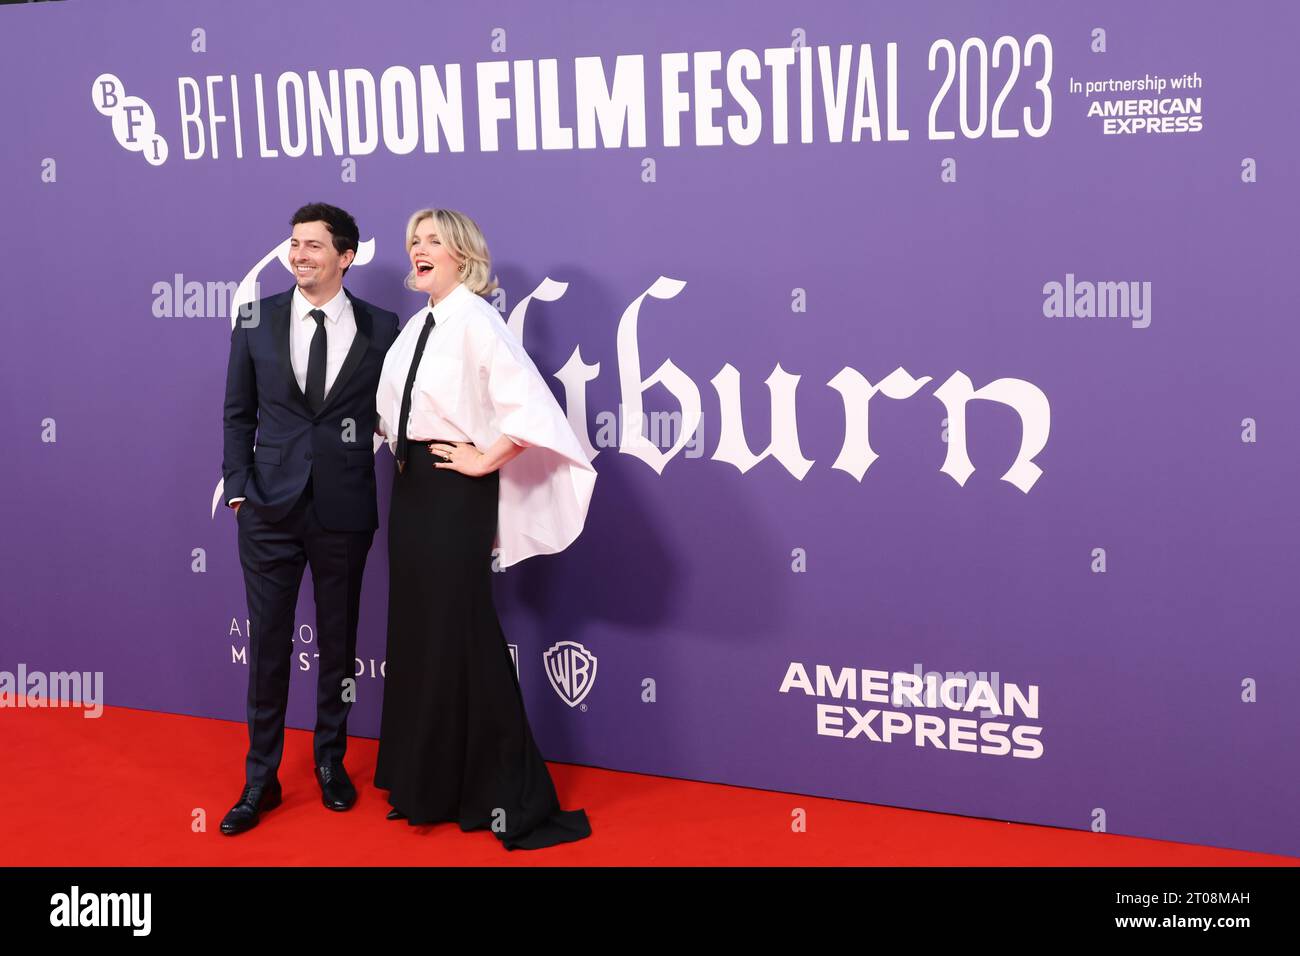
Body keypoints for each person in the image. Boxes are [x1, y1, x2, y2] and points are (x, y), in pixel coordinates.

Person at [373, 208, 596, 849]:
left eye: (432, 241)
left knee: (459, 630)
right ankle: (429, 786)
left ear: (463, 256)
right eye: (413, 240)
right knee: (420, 632)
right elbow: (399, 411)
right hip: (412, 491)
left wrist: (481, 458)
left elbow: (531, 412)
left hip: (452, 492)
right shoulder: (420, 325)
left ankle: (506, 794)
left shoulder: (477, 320)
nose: (418, 249)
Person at [220, 202, 400, 835]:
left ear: (345, 257)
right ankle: (259, 779)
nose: (298, 255)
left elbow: (400, 411)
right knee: (267, 647)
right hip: (267, 510)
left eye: (314, 246)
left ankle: (330, 762)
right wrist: (239, 488)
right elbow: (238, 413)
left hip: (344, 510)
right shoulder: (256, 318)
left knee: (339, 646)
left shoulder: (383, 327)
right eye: (294, 244)